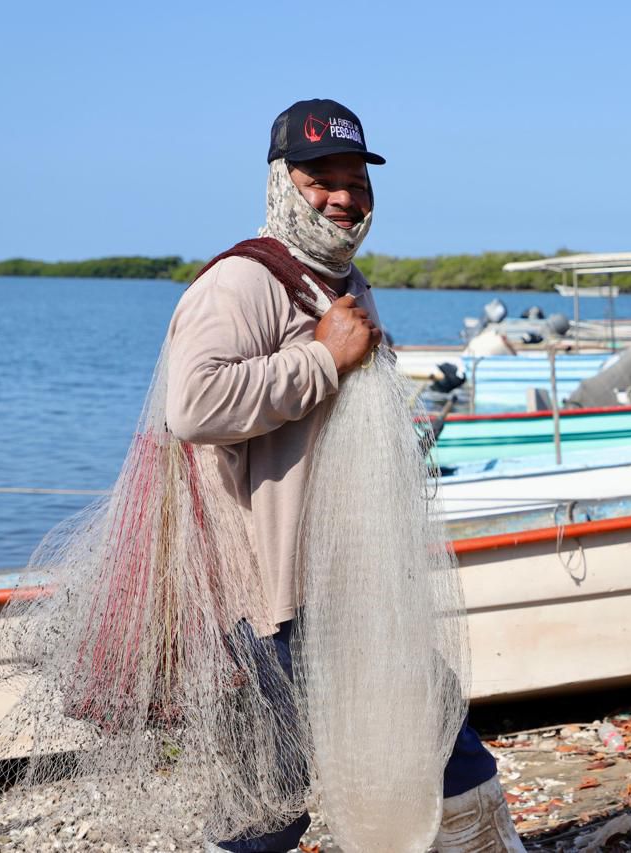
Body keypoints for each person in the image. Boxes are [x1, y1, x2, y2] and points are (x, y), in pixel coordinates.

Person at [166, 98, 524, 853]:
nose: (343, 196)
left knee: (432, 726)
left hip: (352, 578)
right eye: (319, 177)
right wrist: (323, 358)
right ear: (279, 182)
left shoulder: (344, 280)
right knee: (276, 799)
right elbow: (192, 405)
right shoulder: (242, 283)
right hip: (275, 593)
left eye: (356, 180)